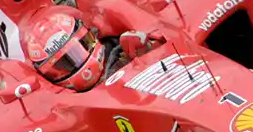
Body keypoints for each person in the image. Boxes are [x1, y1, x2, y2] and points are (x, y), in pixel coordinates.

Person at [24, 11, 163, 92]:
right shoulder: (62, 102)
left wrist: (146, 51)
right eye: (63, 64)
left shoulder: (122, 55)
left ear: (90, 36)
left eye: (78, 50)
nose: (77, 63)